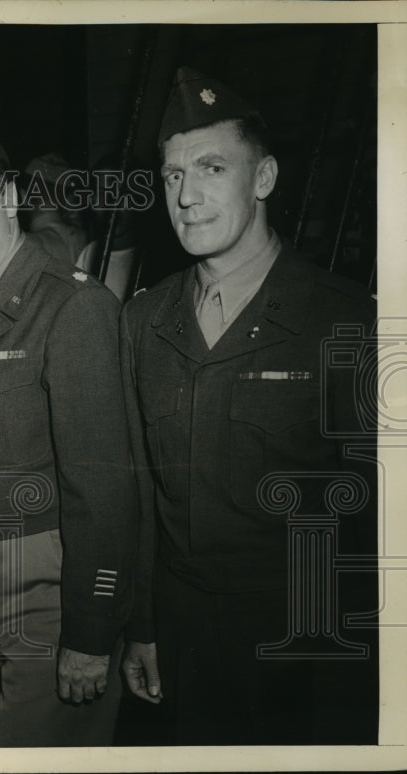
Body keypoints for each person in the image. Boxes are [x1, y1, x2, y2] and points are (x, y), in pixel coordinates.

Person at [119, 67, 378, 744]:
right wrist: (141, 627)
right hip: (181, 635)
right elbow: (141, 495)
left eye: (210, 168)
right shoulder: (144, 321)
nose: (187, 195)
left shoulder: (342, 320)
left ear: (263, 179)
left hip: (305, 641)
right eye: (173, 175)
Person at [0, 128, 139, 746]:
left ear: (10, 198)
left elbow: (105, 488)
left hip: (52, 582)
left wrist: (91, 634)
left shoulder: (71, 307)